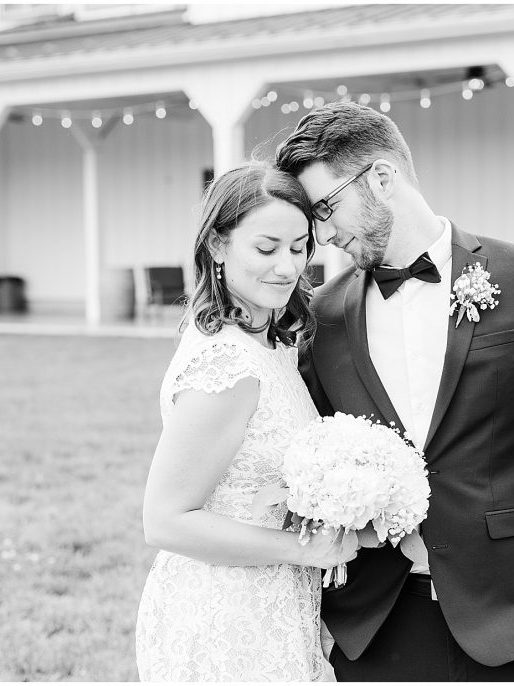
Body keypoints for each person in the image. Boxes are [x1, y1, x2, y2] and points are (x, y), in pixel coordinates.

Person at [275, 101, 514, 681]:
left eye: (327, 208)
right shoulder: (325, 313)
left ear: (382, 178)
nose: (325, 234)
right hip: (377, 622)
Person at [135, 161, 359, 682]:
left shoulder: (269, 346)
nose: (287, 266)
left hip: (272, 604)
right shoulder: (228, 365)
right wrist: (309, 550)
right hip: (226, 616)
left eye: (299, 247)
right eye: (266, 248)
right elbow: (165, 520)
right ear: (217, 245)